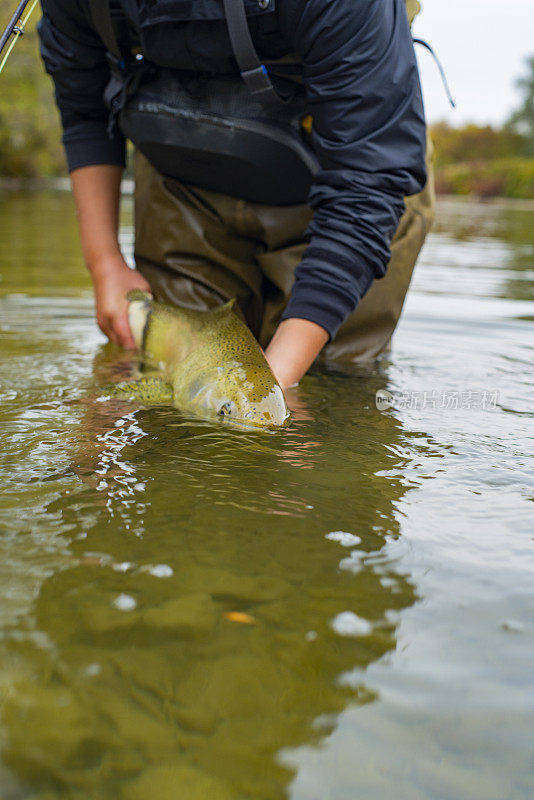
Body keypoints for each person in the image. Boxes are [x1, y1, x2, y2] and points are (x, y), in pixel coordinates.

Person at [38, 0, 434, 390]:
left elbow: (367, 181)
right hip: (181, 179)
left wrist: (271, 387)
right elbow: (85, 110)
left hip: (343, 184)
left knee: (332, 385)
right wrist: (104, 263)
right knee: (173, 383)